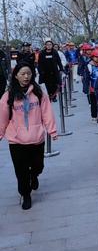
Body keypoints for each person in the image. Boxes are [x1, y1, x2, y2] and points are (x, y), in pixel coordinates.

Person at [0, 62, 58, 210]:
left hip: (36, 139)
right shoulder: (9, 96)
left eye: (29, 73)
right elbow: (3, 116)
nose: (26, 76)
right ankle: (26, 194)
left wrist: (52, 130)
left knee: (38, 166)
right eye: (22, 74)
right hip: (16, 141)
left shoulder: (39, 93)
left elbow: (47, 113)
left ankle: (34, 176)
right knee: (21, 171)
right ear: (16, 75)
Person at [83, 49, 98, 120]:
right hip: (92, 88)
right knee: (93, 103)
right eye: (95, 57)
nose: (97, 58)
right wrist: (86, 88)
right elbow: (86, 78)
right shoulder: (89, 66)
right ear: (92, 57)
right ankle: (94, 116)